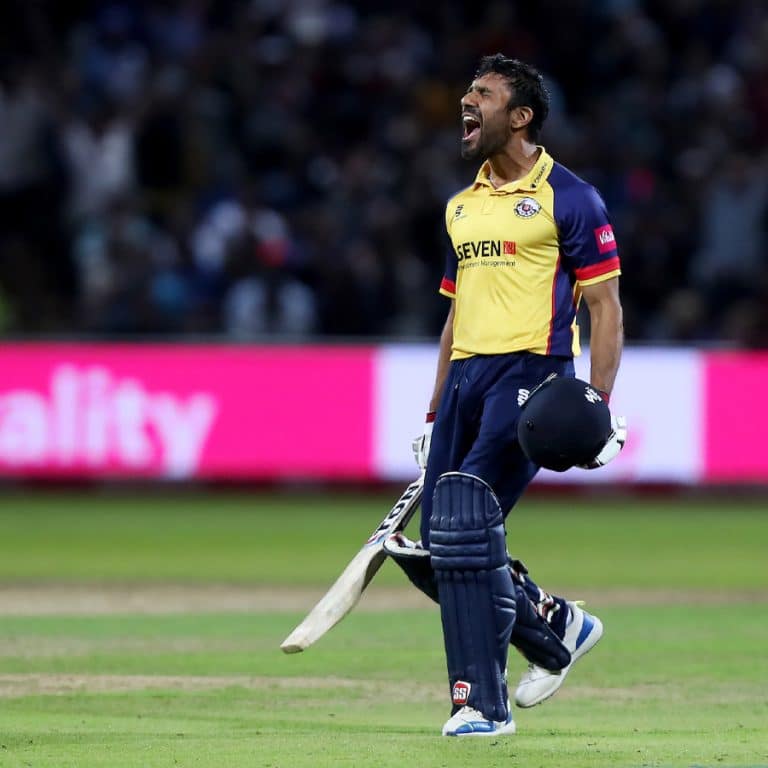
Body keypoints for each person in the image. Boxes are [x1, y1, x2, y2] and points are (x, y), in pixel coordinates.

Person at [385, 54, 625, 737]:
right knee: (441, 545)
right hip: (466, 379)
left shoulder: (570, 197)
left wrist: (596, 406)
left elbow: (605, 307)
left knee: (460, 530)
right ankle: (555, 626)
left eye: (483, 94)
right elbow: (454, 317)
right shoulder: (460, 206)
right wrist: (435, 411)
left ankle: (482, 707)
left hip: (530, 375)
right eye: (468, 90)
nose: (467, 101)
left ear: (519, 117)